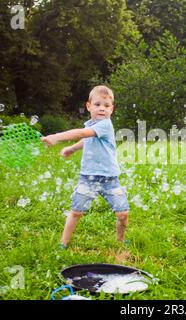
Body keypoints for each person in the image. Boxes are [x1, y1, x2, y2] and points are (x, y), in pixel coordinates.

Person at [41, 85, 130, 250]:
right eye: (97, 105)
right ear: (88, 106)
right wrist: (72, 149)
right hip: (88, 177)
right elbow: (87, 139)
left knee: (122, 214)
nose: (102, 109)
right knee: (76, 212)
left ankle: (121, 240)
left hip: (110, 179)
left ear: (112, 109)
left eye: (106, 106)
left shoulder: (105, 125)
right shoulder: (91, 125)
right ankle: (63, 243)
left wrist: (56, 137)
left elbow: (83, 134)